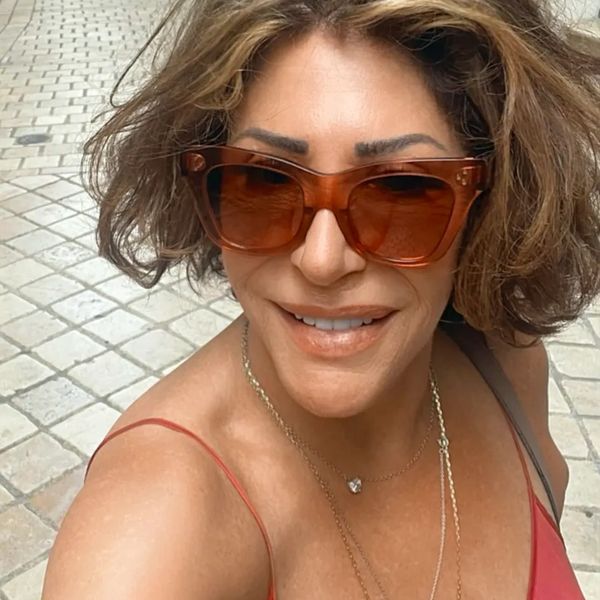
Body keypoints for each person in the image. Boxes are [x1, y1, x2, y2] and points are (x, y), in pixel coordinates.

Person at [42, 0, 600, 598]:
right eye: (264, 181)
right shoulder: (151, 540)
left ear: (490, 203)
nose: (322, 260)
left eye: (402, 189)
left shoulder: (504, 361)